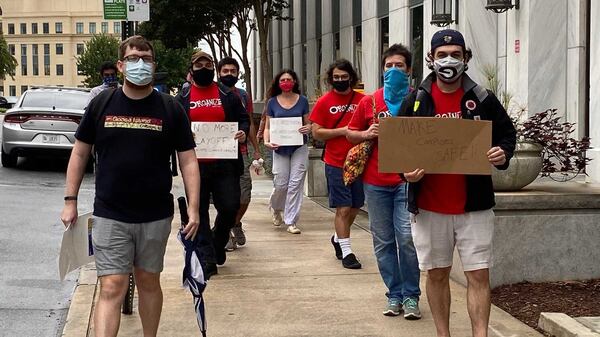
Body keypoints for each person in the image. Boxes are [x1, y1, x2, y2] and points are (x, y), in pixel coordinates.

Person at [60, 35, 200, 337]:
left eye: (146, 59)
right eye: (134, 58)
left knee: (149, 280)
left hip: (155, 215)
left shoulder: (170, 108)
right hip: (110, 214)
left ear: (154, 64)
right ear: (121, 65)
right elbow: (80, 152)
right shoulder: (102, 104)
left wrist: (195, 208)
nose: (140, 64)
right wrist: (70, 200)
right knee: (112, 284)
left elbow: (188, 160)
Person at [399, 29, 516, 337]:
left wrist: (501, 152)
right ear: (431, 59)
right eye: (442, 54)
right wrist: (405, 172)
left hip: (474, 207)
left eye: (455, 54)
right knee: (436, 275)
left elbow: (507, 135)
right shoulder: (416, 100)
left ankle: (480, 334)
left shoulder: (481, 98)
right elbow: (398, 147)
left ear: (466, 58)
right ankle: (443, 334)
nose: (448, 60)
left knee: (479, 275)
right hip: (428, 207)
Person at [346, 44, 422, 319]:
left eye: (399, 66)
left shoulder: (418, 99)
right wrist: (367, 133)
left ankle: (412, 295)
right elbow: (350, 134)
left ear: (409, 70)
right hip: (375, 182)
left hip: (407, 181)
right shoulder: (370, 102)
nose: (393, 70)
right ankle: (394, 294)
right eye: (388, 66)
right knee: (383, 241)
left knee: (406, 239)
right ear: (382, 69)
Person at [175, 51, 249, 277]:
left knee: (229, 206)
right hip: (194, 166)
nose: (204, 67)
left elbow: (244, 118)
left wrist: (243, 132)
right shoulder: (183, 96)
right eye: (199, 64)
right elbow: (176, 124)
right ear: (192, 68)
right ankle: (207, 257)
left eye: (208, 64)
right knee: (199, 211)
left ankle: (219, 240)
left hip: (225, 162)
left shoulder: (227, 94)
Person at [310, 59, 365, 269]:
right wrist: (342, 131)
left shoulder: (364, 100)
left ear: (351, 77)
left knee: (355, 205)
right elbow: (316, 132)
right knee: (343, 207)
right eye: (336, 78)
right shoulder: (324, 102)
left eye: (344, 77)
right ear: (330, 79)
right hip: (335, 162)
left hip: (359, 162)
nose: (340, 81)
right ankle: (347, 250)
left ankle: (337, 238)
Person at [216, 56, 261, 251]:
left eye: (232, 72)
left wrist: (256, 148)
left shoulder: (243, 96)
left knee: (245, 195)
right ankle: (223, 232)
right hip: (217, 153)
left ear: (238, 74)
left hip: (240, 152)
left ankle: (233, 223)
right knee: (224, 196)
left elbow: (249, 121)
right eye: (225, 71)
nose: (229, 75)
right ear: (219, 73)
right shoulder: (213, 95)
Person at [263, 69, 311, 234]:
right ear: (278, 83)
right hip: (279, 148)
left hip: (299, 146)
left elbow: (309, 123)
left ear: (295, 82)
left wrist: (308, 128)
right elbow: (268, 126)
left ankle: (291, 221)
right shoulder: (272, 103)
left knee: (295, 183)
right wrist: (266, 141)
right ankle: (276, 207)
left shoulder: (303, 101)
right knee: (281, 184)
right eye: (282, 80)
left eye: (289, 79)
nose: (286, 82)